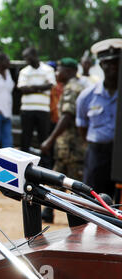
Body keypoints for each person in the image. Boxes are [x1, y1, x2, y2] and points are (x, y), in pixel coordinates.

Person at [40, 58, 86, 223]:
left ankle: (79, 218)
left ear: (68, 71)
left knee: (73, 183)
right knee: (57, 178)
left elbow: (67, 116)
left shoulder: (72, 88)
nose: (56, 74)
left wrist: (50, 140)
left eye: (58, 70)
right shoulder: (77, 85)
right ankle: (48, 211)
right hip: (69, 146)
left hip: (72, 145)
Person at [76, 38, 122, 198]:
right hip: (98, 153)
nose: (113, 67)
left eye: (116, 62)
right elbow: (82, 126)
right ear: (101, 65)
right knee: (93, 200)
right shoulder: (87, 96)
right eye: (108, 63)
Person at [17, 47, 56, 167]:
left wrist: (31, 87)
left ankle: (46, 167)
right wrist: (40, 87)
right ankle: (23, 166)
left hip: (43, 110)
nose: (26, 61)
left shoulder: (48, 69)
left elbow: (50, 85)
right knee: (25, 139)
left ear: (34, 55)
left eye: (28, 58)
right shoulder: (24, 71)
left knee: (43, 139)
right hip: (27, 110)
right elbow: (22, 88)